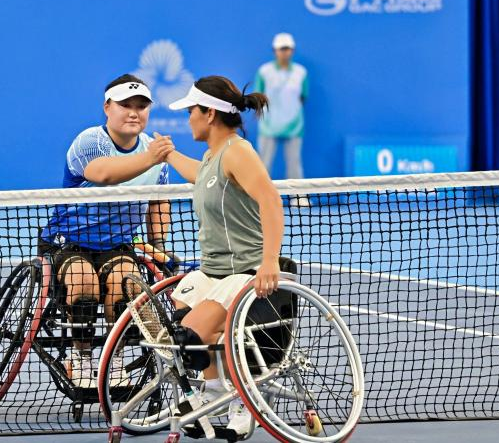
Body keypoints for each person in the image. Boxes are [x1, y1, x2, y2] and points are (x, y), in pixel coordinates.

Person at [157, 75, 285, 440]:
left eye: (191, 112)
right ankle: (213, 391)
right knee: (176, 323)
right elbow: (200, 176)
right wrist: (168, 154)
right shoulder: (213, 155)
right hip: (212, 271)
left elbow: (271, 200)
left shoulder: (238, 152)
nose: (188, 119)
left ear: (209, 114)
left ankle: (243, 400)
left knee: (192, 336)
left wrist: (270, 261)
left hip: (243, 270)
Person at [40, 74, 175, 389]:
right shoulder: (90, 141)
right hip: (68, 243)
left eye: (141, 106)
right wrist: (150, 158)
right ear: (107, 107)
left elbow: (159, 201)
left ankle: (114, 361)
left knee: (126, 286)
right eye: (125, 105)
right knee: (83, 284)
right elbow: (103, 173)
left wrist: (158, 244)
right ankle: (82, 358)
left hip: (118, 245)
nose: (134, 112)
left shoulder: (153, 152)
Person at [254, 32, 308, 184]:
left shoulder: (301, 72)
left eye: (287, 48)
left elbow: (303, 96)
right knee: (263, 164)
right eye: (281, 49)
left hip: (294, 125)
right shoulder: (264, 71)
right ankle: (260, 195)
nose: (284, 52)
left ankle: (299, 195)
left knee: (294, 164)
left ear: (292, 50)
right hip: (268, 125)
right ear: (275, 50)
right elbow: (258, 96)